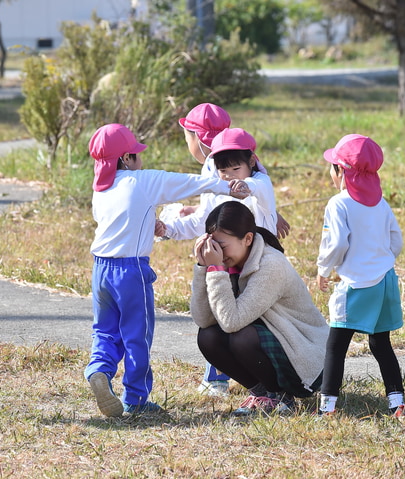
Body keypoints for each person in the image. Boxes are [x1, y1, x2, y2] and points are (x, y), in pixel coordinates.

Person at [85, 123, 250, 417]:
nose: (140, 158)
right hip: (130, 271)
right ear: (125, 159)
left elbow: (124, 221)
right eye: (135, 153)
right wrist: (228, 187)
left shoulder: (101, 189)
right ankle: (135, 399)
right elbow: (188, 183)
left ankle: (99, 369)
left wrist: (152, 225)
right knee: (137, 334)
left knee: (106, 331)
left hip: (100, 270)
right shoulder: (142, 181)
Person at [161, 126, 282, 397]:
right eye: (223, 172)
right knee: (216, 322)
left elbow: (257, 189)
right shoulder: (218, 186)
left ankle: (279, 386)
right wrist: (168, 229)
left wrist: (243, 186)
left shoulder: (259, 182)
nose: (228, 178)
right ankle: (245, 384)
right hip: (231, 269)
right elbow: (203, 219)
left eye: (235, 170)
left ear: (251, 161)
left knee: (250, 328)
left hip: (259, 269)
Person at [190, 201, 329, 416]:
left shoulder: (270, 264)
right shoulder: (228, 259)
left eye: (222, 245)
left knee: (241, 336)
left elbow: (231, 322)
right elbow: (203, 320)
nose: (216, 252)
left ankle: (281, 396)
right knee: (208, 337)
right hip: (274, 339)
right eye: (212, 245)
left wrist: (217, 269)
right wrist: (203, 268)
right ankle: (263, 394)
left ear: (247, 239)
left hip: (307, 358)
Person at [316, 134, 405, 418]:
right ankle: (397, 403)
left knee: (335, 347)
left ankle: (327, 408)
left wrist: (323, 269)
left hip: (356, 285)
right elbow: (396, 240)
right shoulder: (380, 203)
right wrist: (381, 260)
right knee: (381, 344)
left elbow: (337, 243)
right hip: (385, 282)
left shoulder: (339, 204)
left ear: (341, 171)